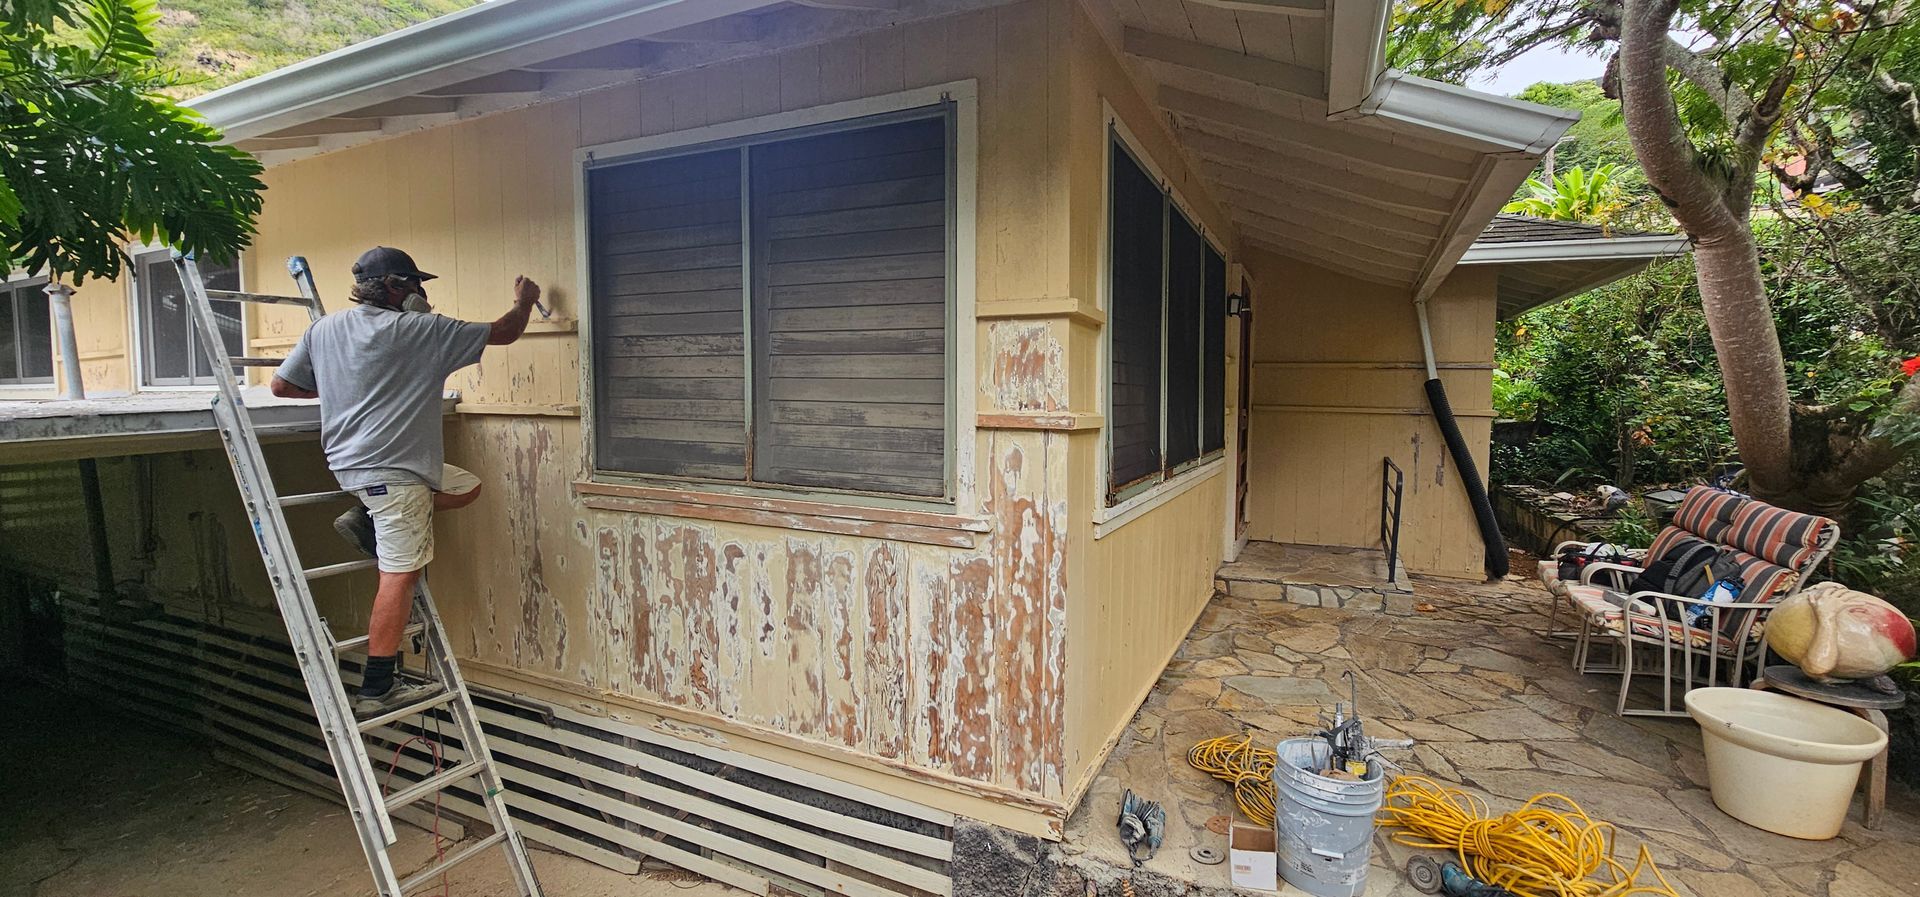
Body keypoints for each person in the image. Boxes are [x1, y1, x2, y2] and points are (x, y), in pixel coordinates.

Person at [271, 246, 541, 716]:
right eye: (417, 284)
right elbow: (504, 332)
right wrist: (525, 301)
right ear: (396, 287)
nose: (423, 293)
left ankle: (365, 518)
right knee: (398, 576)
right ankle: (377, 689)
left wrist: (352, 383)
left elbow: (282, 386)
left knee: (465, 486)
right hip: (393, 475)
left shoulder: (324, 328)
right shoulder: (421, 330)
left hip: (354, 467)